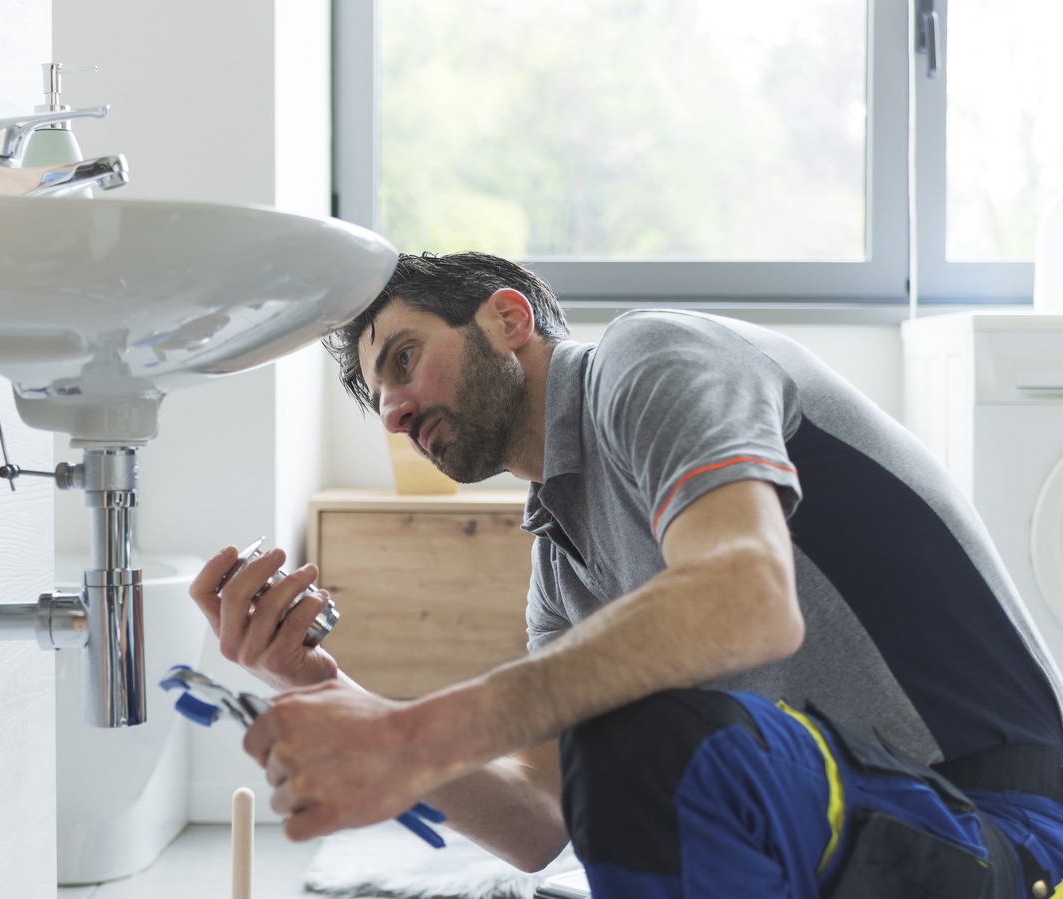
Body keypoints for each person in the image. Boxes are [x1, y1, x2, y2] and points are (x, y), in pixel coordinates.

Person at [187, 251, 1063, 898]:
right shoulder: (564, 563)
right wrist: (337, 689)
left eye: (403, 359)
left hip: (1006, 830)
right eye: (379, 398)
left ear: (508, 317)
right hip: (844, 836)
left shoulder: (648, 361)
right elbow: (540, 818)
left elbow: (749, 597)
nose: (395, 411)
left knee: (633, 732)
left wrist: (416, 737)